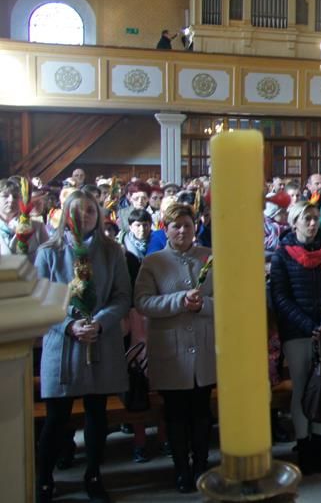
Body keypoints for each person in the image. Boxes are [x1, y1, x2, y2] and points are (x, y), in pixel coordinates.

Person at [34, 190, 131, 503]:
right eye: (77, 210)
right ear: (66, 214)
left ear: (98, 216)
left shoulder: (112, 250)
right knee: (56, 417)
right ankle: (44, 479)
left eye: (90, 210)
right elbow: (42, 299)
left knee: (96, 414)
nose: (84, 216)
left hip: (100, 338)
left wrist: (99, 322)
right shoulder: (49, 251)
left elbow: (122, 296)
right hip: (62, 341)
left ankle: (93, 474)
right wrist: (69, 325)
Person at [134, 204, 214, 493]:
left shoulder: (209, 257)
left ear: (195, 228)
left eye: (187, 225)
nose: (182, 231)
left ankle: (201, 466)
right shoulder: (153, 262)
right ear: (165, 229)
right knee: (176, 416)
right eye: (175, 226)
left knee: (202, 414)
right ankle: (182, 470)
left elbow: (227, 298)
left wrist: (203, 304)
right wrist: (179, 300)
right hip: (171, 352)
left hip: (204, 349)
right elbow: (143, 302)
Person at [270, 201, 321, 474]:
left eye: (316, 218)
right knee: (302, 387)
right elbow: (280, 297)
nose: (313, 223)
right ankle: (303, 445)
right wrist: (308, 325)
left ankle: (318, 443)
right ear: (294, 222)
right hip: (297, 332)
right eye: (307, 218)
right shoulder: (283, 254)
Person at [0, 177, 49, 260]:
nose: (11, 200)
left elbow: (48, 259)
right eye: (5, 196)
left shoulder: (37, 227)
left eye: (15, 197)